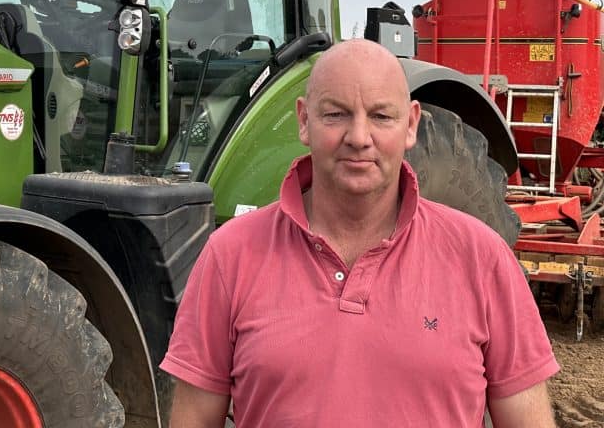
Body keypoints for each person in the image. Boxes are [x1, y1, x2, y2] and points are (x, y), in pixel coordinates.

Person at [161, 39, 559, 427]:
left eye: (381, 116)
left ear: (411, 125)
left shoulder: (481, 257)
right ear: (303, 121)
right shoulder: (230, 255)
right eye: (336, 114)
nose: (358, 137)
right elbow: (194, 417)